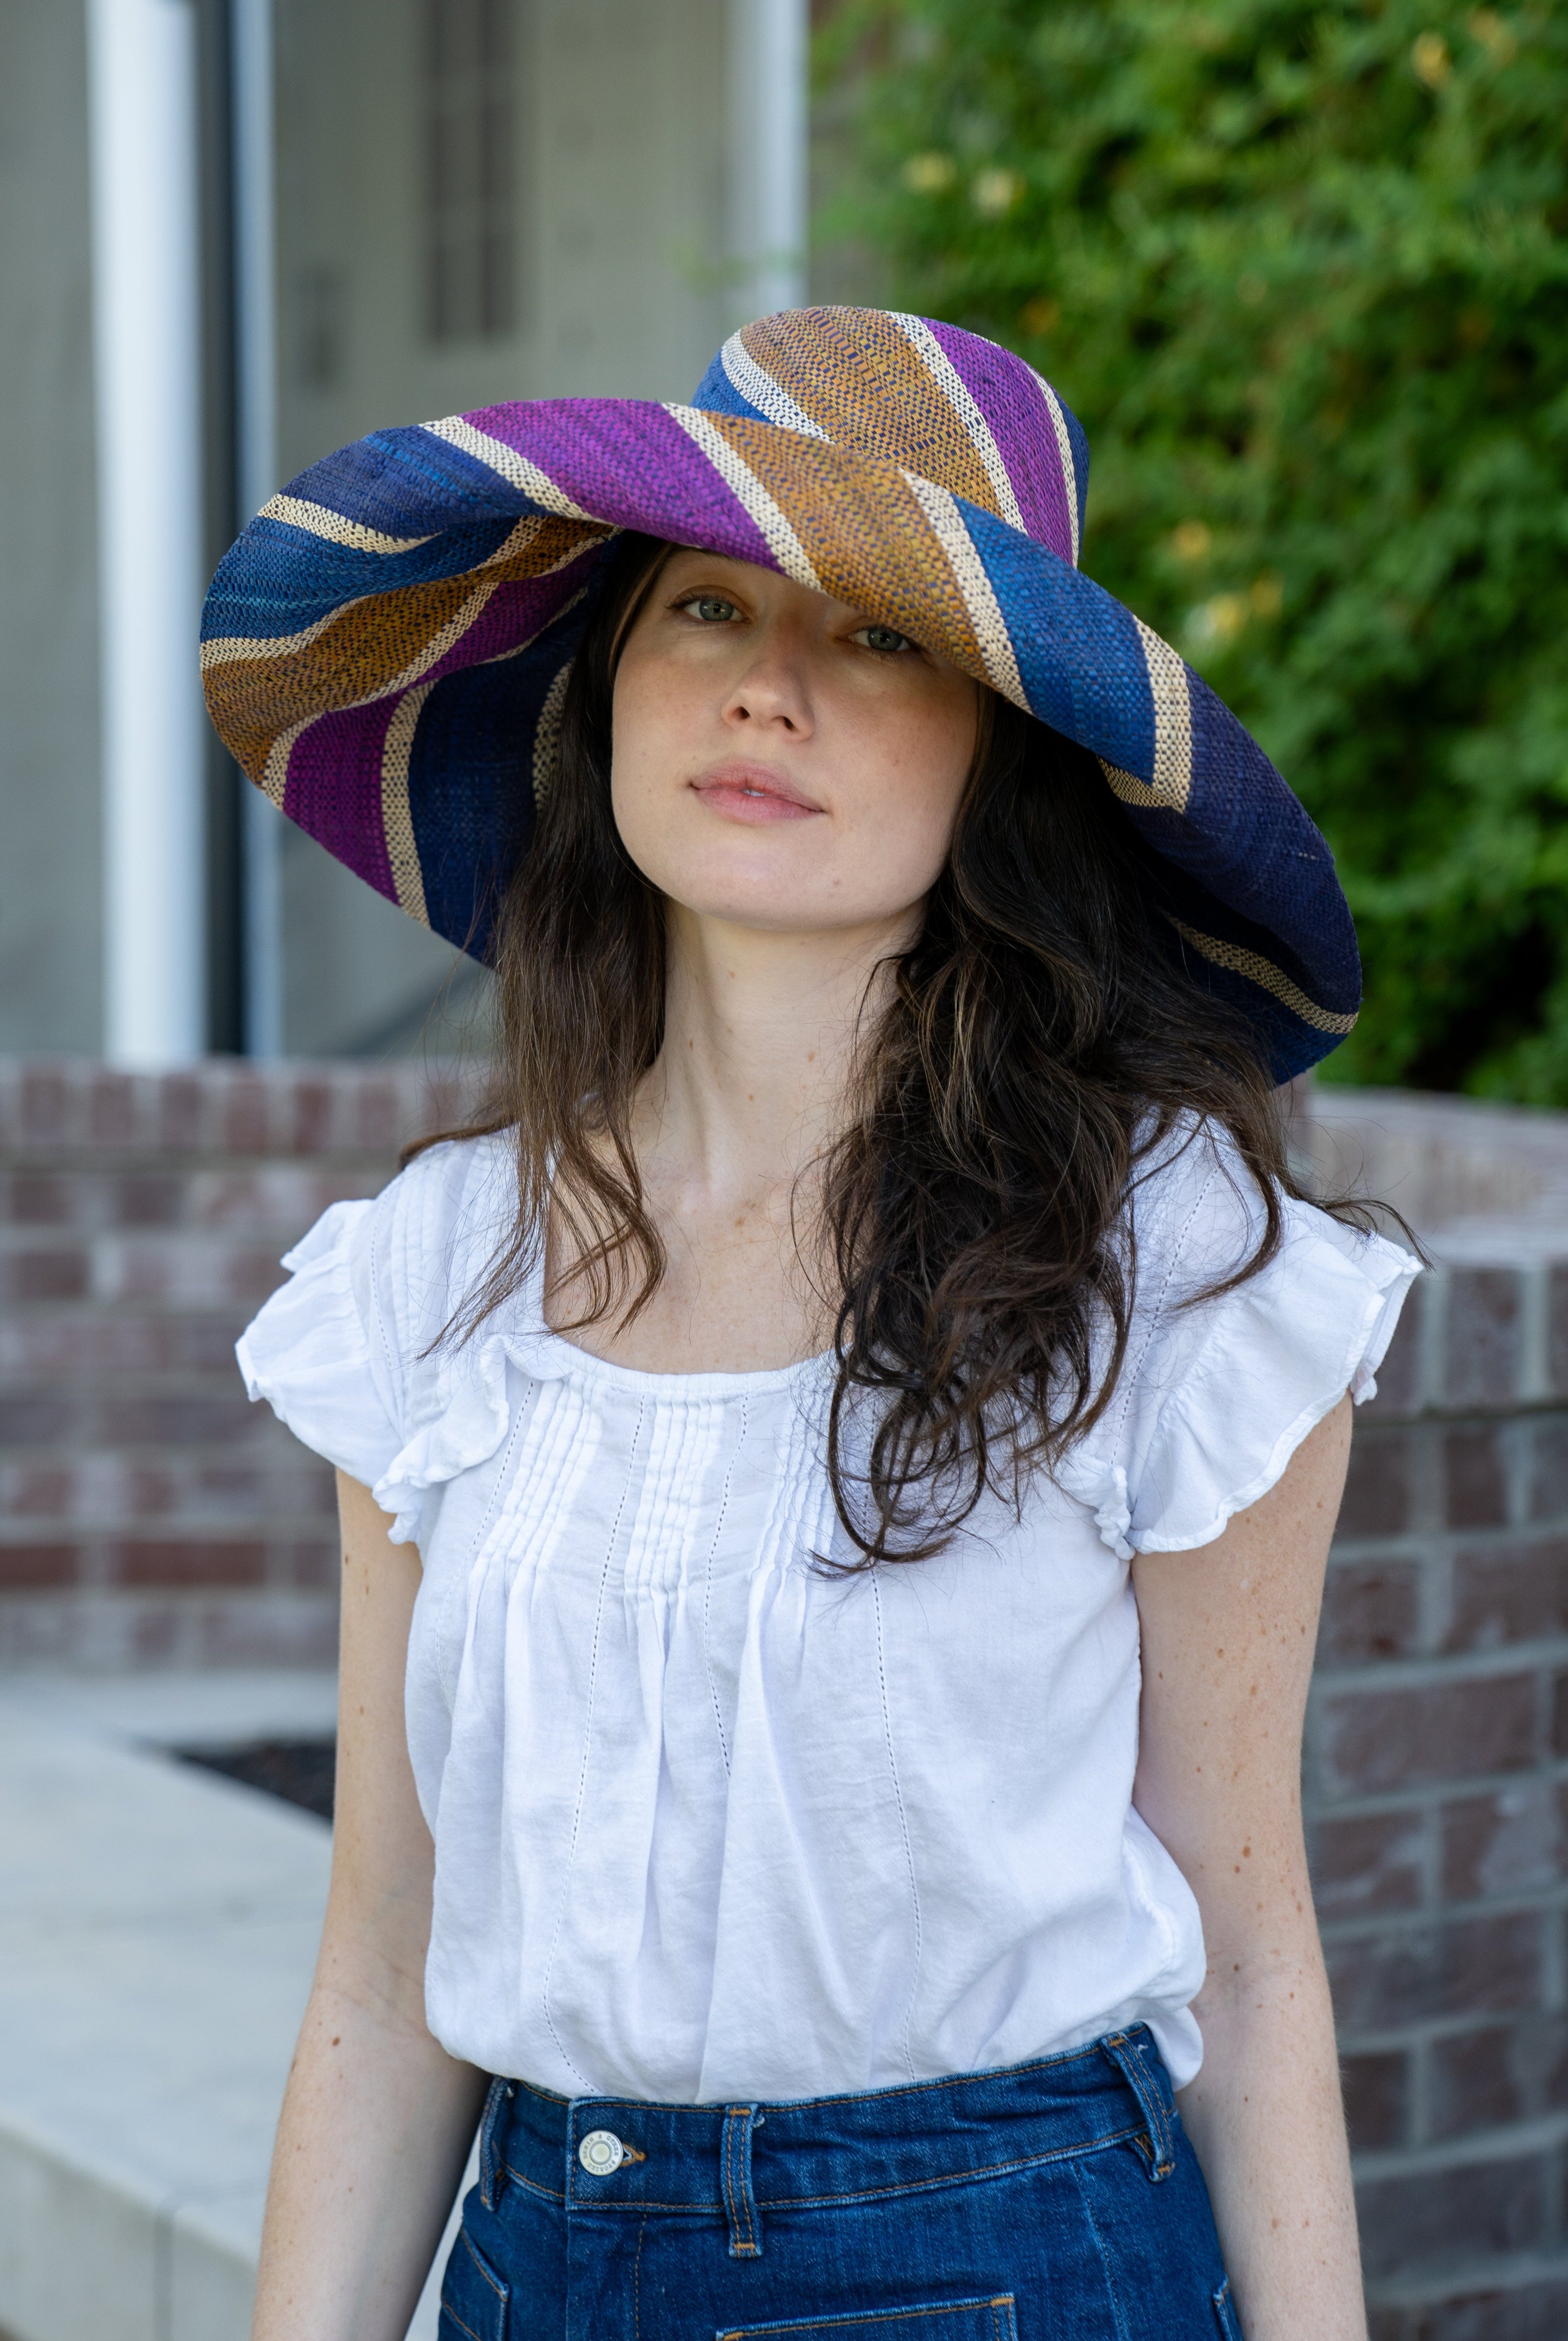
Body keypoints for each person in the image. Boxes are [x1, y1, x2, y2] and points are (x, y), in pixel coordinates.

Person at [207, 307, 1416, 2341]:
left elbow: (1248, 1942)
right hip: (531, 2257)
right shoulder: (430, 1275)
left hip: (1005, 2264)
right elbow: (384, 1943)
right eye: (702, 607)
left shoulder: (1168, 1264)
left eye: (877, 636)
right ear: (603, 694)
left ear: (1003, 753)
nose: (765, 689)